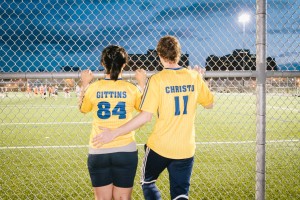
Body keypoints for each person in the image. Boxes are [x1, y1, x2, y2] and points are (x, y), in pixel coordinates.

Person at [92, 35, 214, 200]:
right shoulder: (194, 77)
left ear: (160, 56)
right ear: (178, 54)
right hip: (185, 147)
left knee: (148, 182)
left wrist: (114, 133)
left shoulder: (157, 80)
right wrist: (200, 79)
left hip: (160, 146)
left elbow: (146, 116)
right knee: (180, 194)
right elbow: (209, 104)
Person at [78, 45, 147, 200]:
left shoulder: (94, 88)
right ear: (124, 64)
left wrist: (85, 84)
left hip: (99, 148)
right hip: (125, 149)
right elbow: (146, 110)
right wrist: (143, 84)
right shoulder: (131, 89)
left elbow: (82, 108)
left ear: (103, 64)